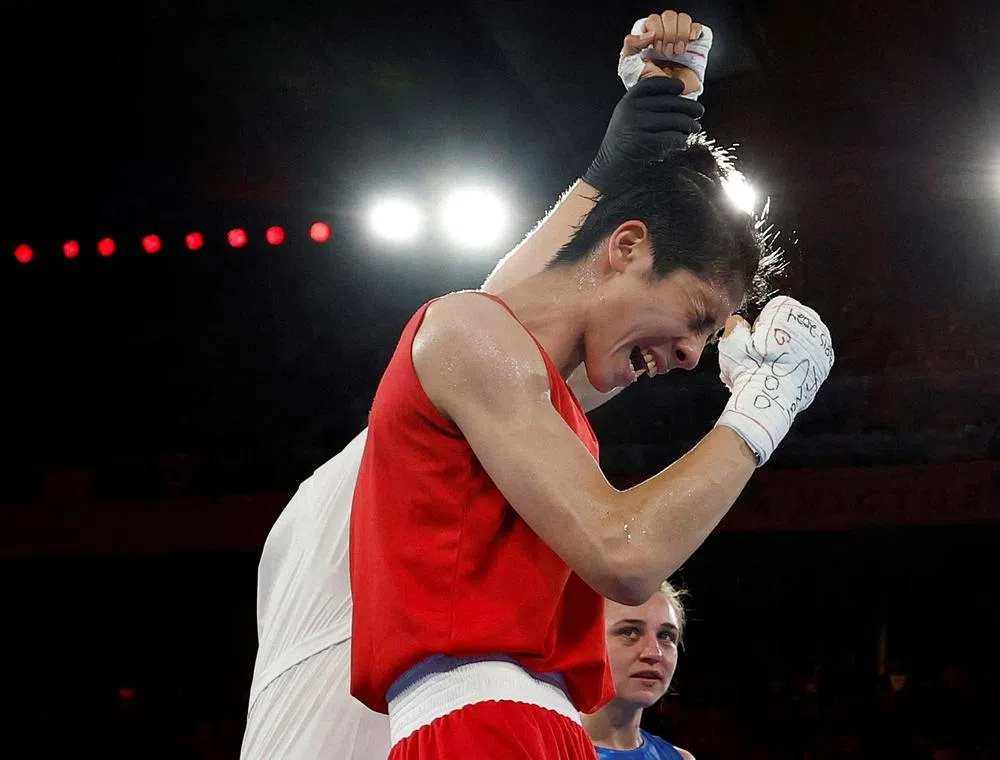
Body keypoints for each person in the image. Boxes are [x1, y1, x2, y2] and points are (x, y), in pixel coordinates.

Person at [349, 18, 835, 760]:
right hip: (481, 729)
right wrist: (762, 410)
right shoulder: (467, 335)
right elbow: (625, 554)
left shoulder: (532, 383)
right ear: (629, 247)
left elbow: (532, 314)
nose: (688, 356)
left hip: (544, 730)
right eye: (697, 318)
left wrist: (661, 107)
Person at [239, 12, 712, 758]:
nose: (687, 358)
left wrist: (644, 142)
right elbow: (517, 324)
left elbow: (521, 324)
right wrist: (638, 151)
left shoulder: (426, 427)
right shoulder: (430, 412)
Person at [586, 581, 696, 760]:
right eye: (630, 632)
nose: (654, 653)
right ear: (586, 641)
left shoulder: (681, 758)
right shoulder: (546, 750)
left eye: (666, 636)